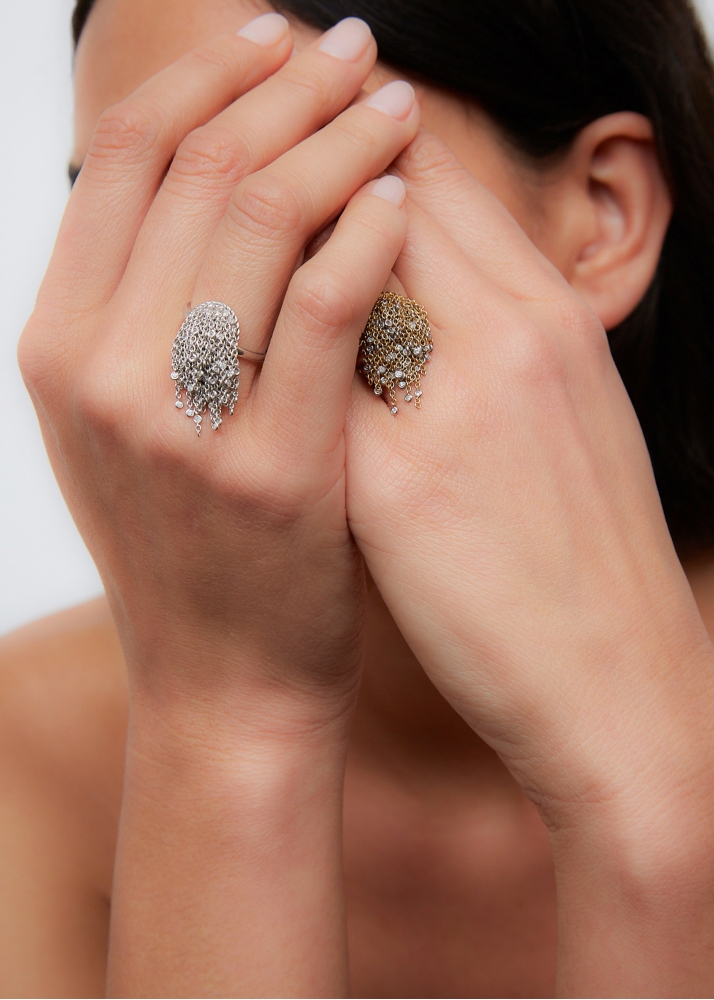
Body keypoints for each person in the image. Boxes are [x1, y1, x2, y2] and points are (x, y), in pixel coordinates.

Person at [3, 0, 714, 995]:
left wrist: (654, 788)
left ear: (602, 216)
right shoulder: (32, 747)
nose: (197, 316)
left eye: (297, 177)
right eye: (131, 212)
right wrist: (227, 718)